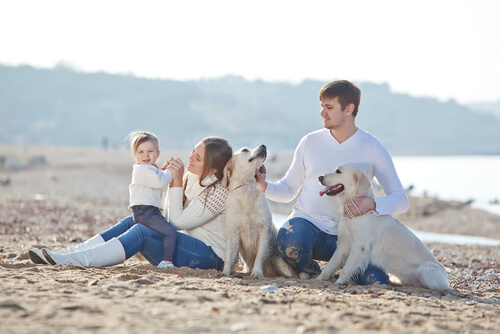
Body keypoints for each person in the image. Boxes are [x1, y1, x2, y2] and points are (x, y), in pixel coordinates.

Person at [255, 80, 409, 284]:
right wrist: (263, 185)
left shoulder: (372, 147)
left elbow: (400, 199)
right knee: (291, 242)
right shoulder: (309, 142)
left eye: (329, 107)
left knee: (375, 280)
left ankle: (343, 268)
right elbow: (289, 189)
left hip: (355, 237)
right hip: (309, 228)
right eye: (321, 106)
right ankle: (312, 270)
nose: (322, 113)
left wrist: (371, 204)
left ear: (349, 109)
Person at [28, 137, 233, 271]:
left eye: (197, 158)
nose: (190, 158)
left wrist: (175, 182)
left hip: (209, 258)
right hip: (186, 246)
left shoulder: (218, 191)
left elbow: (177, 223)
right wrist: (175, 182)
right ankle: (69, 253)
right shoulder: (193, 178)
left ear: (213, 169)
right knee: (131, 221)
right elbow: (169, 219)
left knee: (142, 232)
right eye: (192, 151)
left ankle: (78, 260)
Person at [126, 130, 177, 268]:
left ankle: (140, 248)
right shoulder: (142, 169)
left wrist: (163, 170)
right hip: (145, 212)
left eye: (150, 151)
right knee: (170, 233)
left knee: (159, 233)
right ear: (134, 155)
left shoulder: (148, 168)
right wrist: (171, 172)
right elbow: (160, 181)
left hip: (147, 211)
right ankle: (166, 262)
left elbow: (156, 177)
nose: (146, 155)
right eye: (141, 152)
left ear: (158, 154)